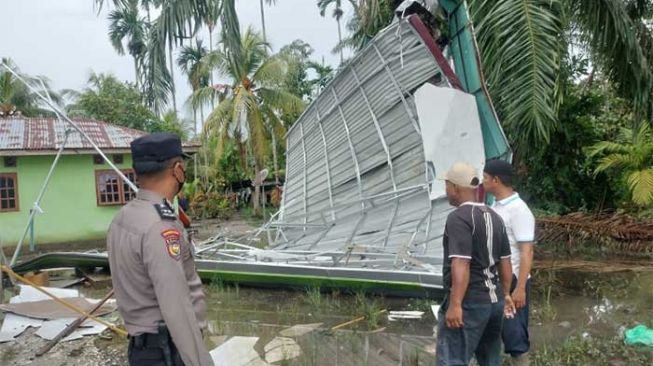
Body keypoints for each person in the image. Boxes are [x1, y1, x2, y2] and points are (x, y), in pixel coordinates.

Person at [107, 132, 214, 366]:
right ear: (176, 169)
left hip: (142, 349)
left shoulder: (122, 218)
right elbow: (177, 307)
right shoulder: (161, 227)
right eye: (183, 167)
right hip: (166, 352)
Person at [436, 162, 515, 366]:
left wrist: (455, 304)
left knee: (452, 360)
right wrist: (506, 295)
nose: (446, 191)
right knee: (490, 360)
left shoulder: (459, 219)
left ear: (455, 188)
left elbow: (461, 263)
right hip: (494, 302)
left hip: (470, 302)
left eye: (447, 186)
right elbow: (506, 263)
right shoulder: (495, 217)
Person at [483, 159, 536, 366]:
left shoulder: (519, 210)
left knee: (514, 334)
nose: (483, 182)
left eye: (486, 178)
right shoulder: (495, 206)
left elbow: (526, 251)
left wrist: (520, 288)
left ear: (496, 180)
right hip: (495, 280)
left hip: (513, 281)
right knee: (492, 331)